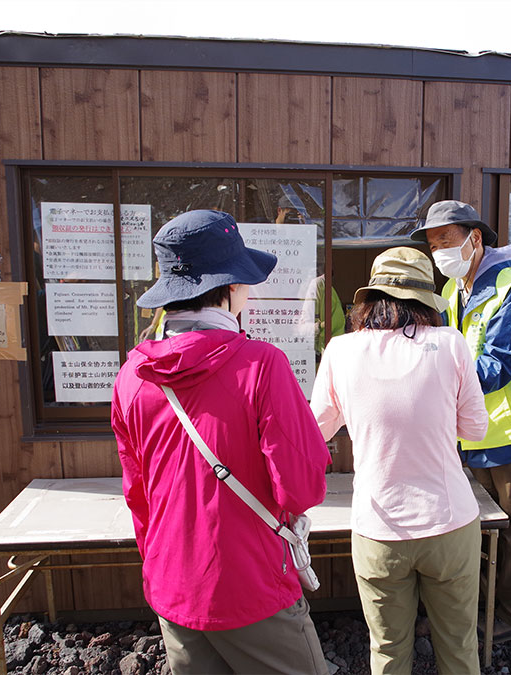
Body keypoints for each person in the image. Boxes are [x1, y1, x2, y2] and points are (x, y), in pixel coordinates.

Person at [111, 210, 332, 675]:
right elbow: (301, 486)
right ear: (230, 287)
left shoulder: (132, 375)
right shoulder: (261, 364)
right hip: (251, 583)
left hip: (172, 581)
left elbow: (138, 495)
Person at [310, 247, 489, 675]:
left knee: (387, 651)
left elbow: (316, 431)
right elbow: (476, 429)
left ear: (370, 298)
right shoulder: (451, 344)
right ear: (427, 300)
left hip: (378, 529)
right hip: (450, 523)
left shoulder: (340, 350)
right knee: (460, 648)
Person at [411, 200, 511, 644]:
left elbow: (501, 363)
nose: (439, 253)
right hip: (471, 432)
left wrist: (434, 389)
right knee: (480, 531)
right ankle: (483, 610)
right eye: (433, 245)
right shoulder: (456, 289)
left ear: (475, 238)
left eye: (446, 241)